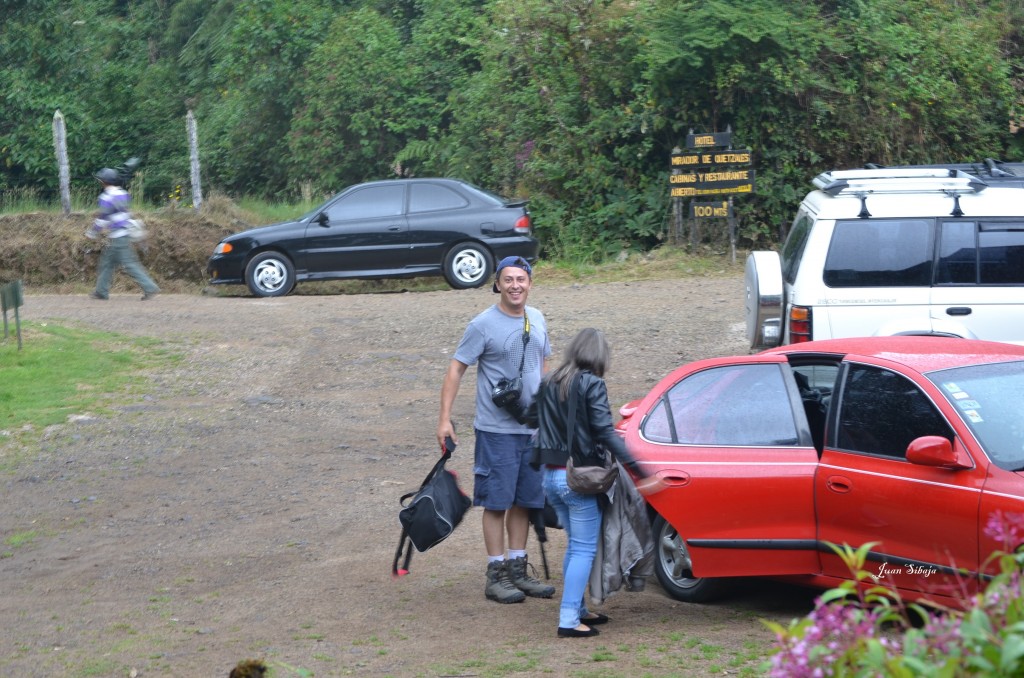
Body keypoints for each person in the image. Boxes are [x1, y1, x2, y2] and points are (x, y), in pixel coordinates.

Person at [528, 327, 662, 638]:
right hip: (579, 479)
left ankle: (577, 610)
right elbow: (604, 432)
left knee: (576, 546)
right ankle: (568, 619)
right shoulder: (592, 384)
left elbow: (531, 419)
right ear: (601, 356)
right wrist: (640, 470)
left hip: (550, 476)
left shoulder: (550, 381)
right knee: (584, 548)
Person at [437, 255, 554, 604]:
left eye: (521, 279)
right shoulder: (483, 324)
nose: (515, 285)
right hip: (496, 430)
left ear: (530, 283)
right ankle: (496, 573)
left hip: (532, 429)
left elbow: (543, 363)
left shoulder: (538, 318)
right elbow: (456, 368)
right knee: (497, 502)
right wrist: (444, 419)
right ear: (498, 284)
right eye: (508, 279)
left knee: (524, 502)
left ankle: (518, 570)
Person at [87, 167, 160, 301]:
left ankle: (150, 287)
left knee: (129, 264)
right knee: (107, 263)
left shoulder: (105, 197)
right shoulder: (123, 193)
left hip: (117, 236)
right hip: (123, 233)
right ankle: (101, 291)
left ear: (103, 182)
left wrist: (93, 232)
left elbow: (103, 217)